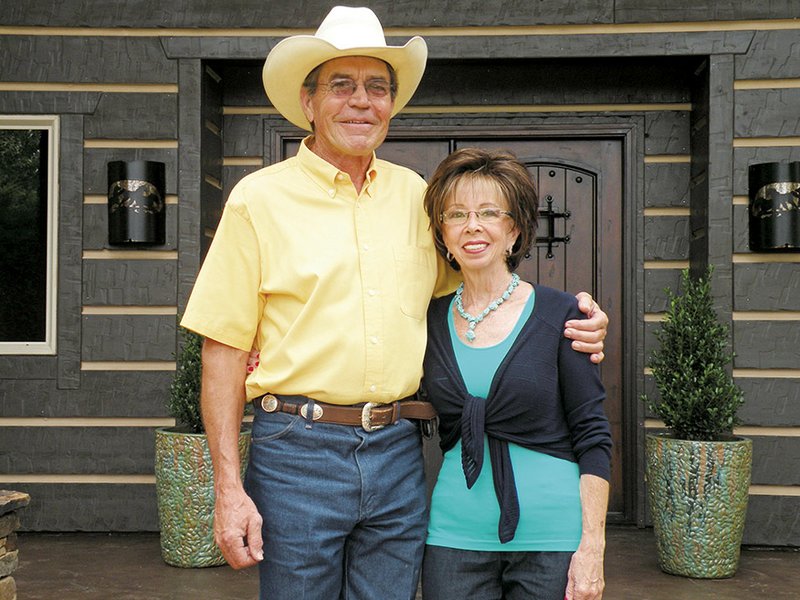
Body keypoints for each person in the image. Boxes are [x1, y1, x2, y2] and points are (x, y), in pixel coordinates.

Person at [180, 6, 609, 600]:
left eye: (376, 87)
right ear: (308, 103)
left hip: (398, 451)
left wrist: (569, 320)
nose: (362, 101)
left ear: (391, 104)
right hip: (295, 452)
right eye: (342, 85)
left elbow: (475, 297)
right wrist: (227, 491)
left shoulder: (416, 195)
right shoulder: (259, 201)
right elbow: (222, 349)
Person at [419, 147, 612, 600]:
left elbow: (593, 436)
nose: (472, 225)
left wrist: (593, 547)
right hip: (453, 538)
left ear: (514, 230)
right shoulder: (425, 322)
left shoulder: (562, 315)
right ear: (443, 235)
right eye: (456, 214)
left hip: (552, 541)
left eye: (489, 212)